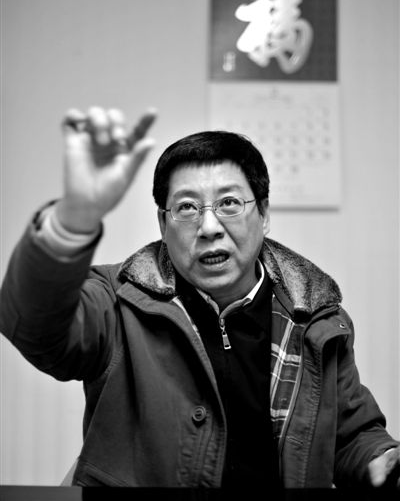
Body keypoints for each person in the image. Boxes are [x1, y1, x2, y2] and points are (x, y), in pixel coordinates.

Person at [0, 106, 399, 491]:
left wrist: (381, 459)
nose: (209, 227)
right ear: (163, 223)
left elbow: (350, 434)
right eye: (187, 207)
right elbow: (36, 326)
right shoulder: (118, 301)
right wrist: (72, 222)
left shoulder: (316, 318)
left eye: (229, 203)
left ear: (263, 214)